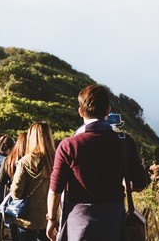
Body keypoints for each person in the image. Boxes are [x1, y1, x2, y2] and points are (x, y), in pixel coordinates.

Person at [46, 84, 148, 241]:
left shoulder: (68, 145)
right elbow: (141, 182)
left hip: (79, 224)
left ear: (80, 111)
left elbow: (55, 190)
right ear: (107, 110)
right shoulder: (124, 142)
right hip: (113, 224)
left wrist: (52, 219)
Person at [10, 121, 55, 241]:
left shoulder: (25, 162)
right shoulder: (56, 160)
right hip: (48, 217)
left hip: (26, 219)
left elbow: (16, 192)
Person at [0, 132, 27, 241]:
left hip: (15, 202)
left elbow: (0, 181)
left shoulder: (9, 159)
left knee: (15, 232)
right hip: (34, 202)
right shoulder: (35, 160)